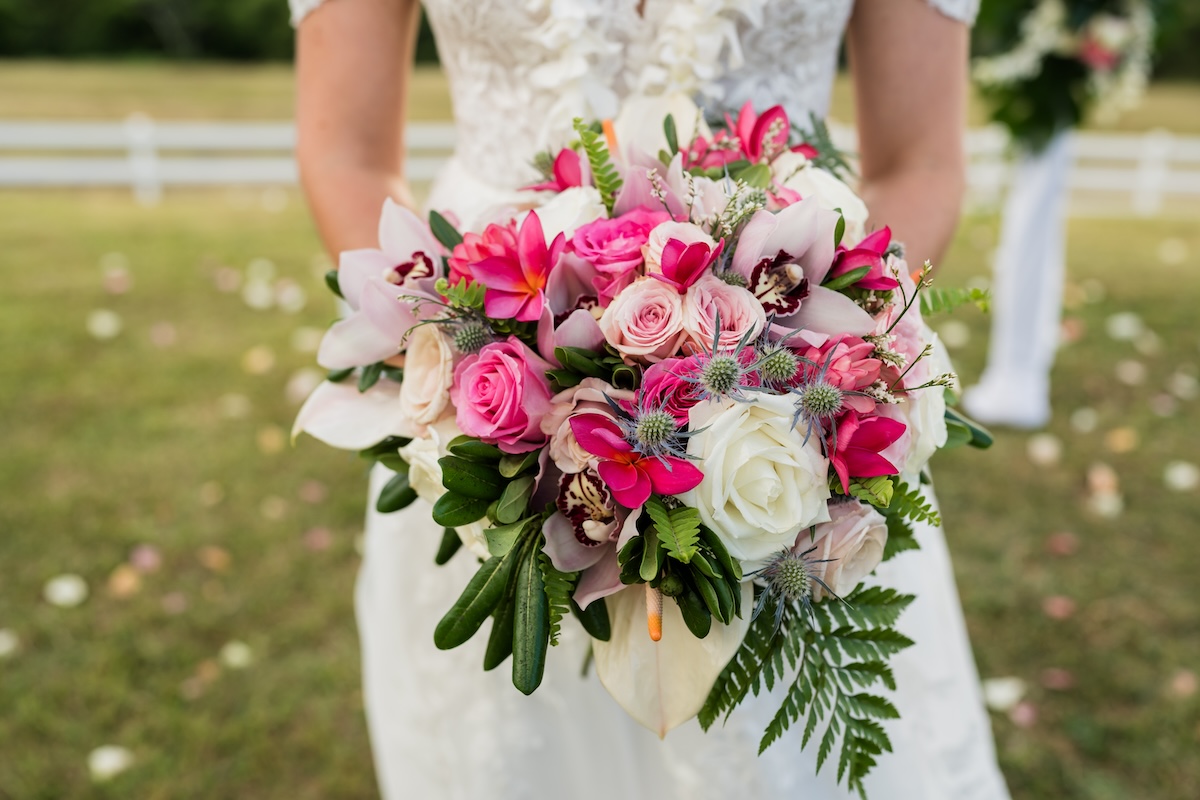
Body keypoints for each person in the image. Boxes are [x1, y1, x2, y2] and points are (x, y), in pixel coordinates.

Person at [290, 1, 1012, 798]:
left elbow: (918, 162)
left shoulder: (800, 370)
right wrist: (472, 361)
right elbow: (346, 151)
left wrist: (801, 378)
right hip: (488, 352)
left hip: (795, 387)